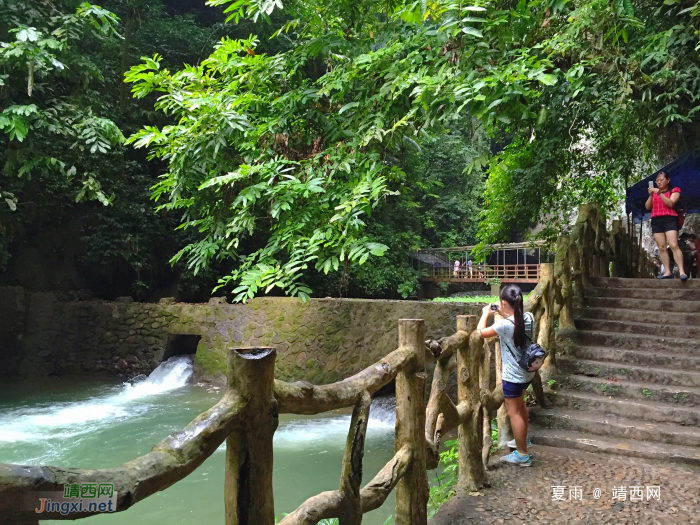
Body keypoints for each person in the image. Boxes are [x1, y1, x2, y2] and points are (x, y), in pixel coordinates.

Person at [477, 284, 535, 467]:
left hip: (512, 376)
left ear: (503, 302)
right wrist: (504, 311)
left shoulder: (503, 326)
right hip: (527, 373)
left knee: (513, 412)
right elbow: (513, 320)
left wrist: (485, 313)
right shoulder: (528, 317)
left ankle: (522, 455)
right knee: (521, 406)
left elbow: (480, 333)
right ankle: (522, 441)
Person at [645, 171, 688, 281]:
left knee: (673, 245)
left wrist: (659, 194)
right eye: (657, 181)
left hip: (669, 219)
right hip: (656, 220)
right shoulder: (654, 193)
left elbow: (670, 203)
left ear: (668, 180)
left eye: (661, 180)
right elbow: (648, 207)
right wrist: (651, 195)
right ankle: (667, 272)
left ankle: (681, 271)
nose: (659, 182)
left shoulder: (675, 190)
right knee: (662, 247)